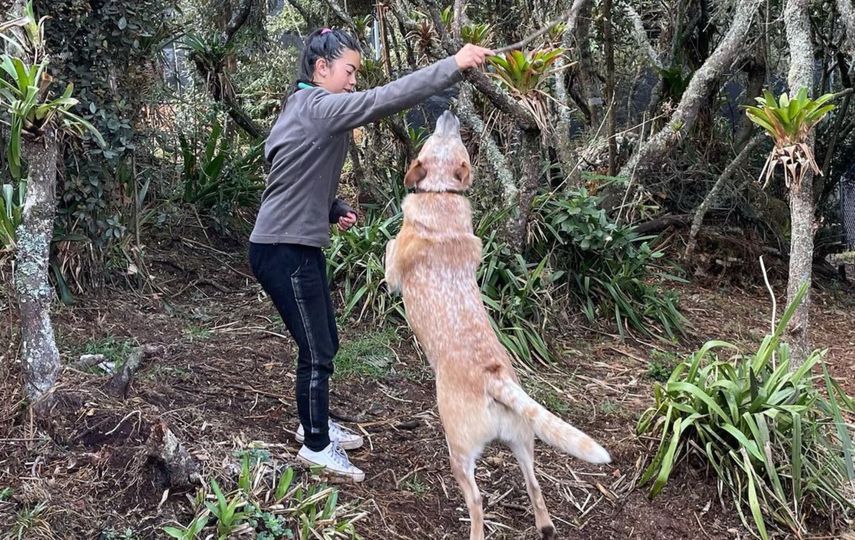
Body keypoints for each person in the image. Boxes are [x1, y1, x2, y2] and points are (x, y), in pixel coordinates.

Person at [249, 27, 492, 482]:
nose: (355, 80)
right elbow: (385, 99)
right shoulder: (318, 106)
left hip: (291, 243)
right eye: (349, 71)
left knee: (325, 341)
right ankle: (316, 446)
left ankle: (314, 423)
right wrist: (453, 64)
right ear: (322, 69)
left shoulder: (303, 107)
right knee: (316, 348)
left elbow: (288, 167)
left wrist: (332, 207)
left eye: (357, 72)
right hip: (284, 249)